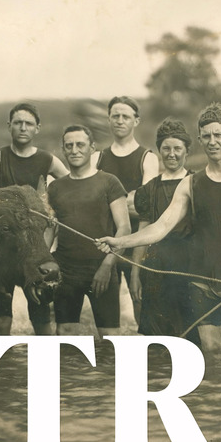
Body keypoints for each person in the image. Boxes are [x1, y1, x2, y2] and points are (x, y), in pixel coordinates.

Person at [96, 102, 221, 353]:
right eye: (207, 136)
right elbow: (160, 227)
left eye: (218, 135)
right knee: (212, 355)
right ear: (200, 140)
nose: (213, 141)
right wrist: (120, 242)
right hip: (202, 284)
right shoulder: (191, 184)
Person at [0, 102, 68, 335]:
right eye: (18, 123)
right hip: (5, 247)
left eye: (29, 124)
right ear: (9, 126)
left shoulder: (47, 159)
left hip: (35, 246)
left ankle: (46, 365)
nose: (23, 127)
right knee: (1, 321)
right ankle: (3, 368)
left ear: (37, 129)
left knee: (42, 319)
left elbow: (69, 185)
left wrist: (52, 210)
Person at [48, 125, 131, 336]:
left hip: (102, 268)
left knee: (111, 337)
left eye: (80, 145)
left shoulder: (109, 182)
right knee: (65, 332)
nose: (74, 150)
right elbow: (50, 230)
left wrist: (107, 266)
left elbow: (125, 228)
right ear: (63, 150)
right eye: (69, 146)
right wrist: (45, 261)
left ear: (92, 148)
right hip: (66, 271)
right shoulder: (55, 187)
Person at [93, 96, 159, 321]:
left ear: (136, 121)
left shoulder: (147, 158)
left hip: (137, 246)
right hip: (105, 246)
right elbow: (94, 204)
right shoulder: (97, 158)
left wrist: (108, 204)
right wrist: (127, 201)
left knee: (141, 309)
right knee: (106, 319)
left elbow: (143, 206)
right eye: (115, 116)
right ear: (109, 119)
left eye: (126, 116)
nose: (120, 121)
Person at [130, 118, 196, 340]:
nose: (172, 154)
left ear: (187, 151)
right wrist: (135, 274)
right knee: (156, 341)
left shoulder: (198, 184)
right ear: (159, 151)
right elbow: (143, 233)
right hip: (156, 270)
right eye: (166, 148)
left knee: (191, 338)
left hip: (190, 269)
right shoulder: (148, 190)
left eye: (178, 148)